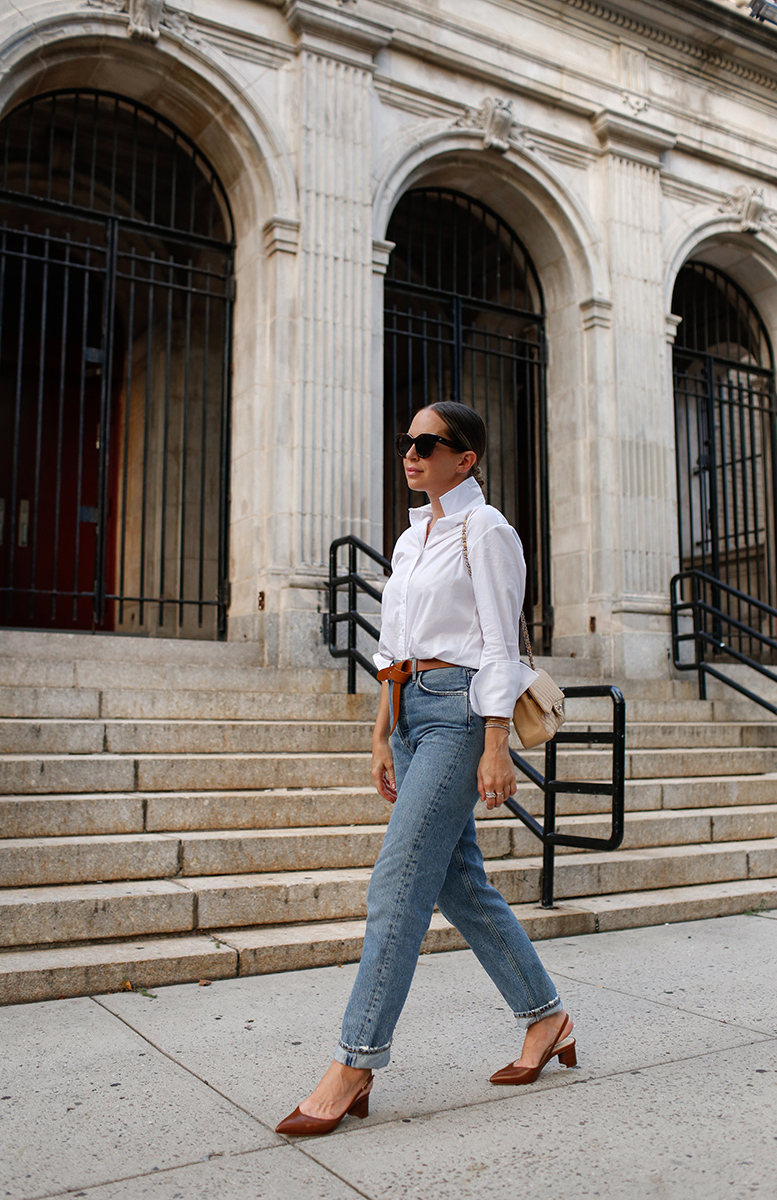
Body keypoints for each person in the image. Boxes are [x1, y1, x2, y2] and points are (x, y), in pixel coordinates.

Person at [276, 401, 575, 1137]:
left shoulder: (488, 529)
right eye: (405, 441)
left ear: (465, 458)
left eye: (427, 443)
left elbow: (502, 645)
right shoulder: (412, 538)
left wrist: (497, 741)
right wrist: (381, 732)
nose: (409, 452)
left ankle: (356, 1061)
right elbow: (390, 646)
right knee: (460, 883)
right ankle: (550, 1019)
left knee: (399, 881)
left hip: (460, 713)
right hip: (407, 711)